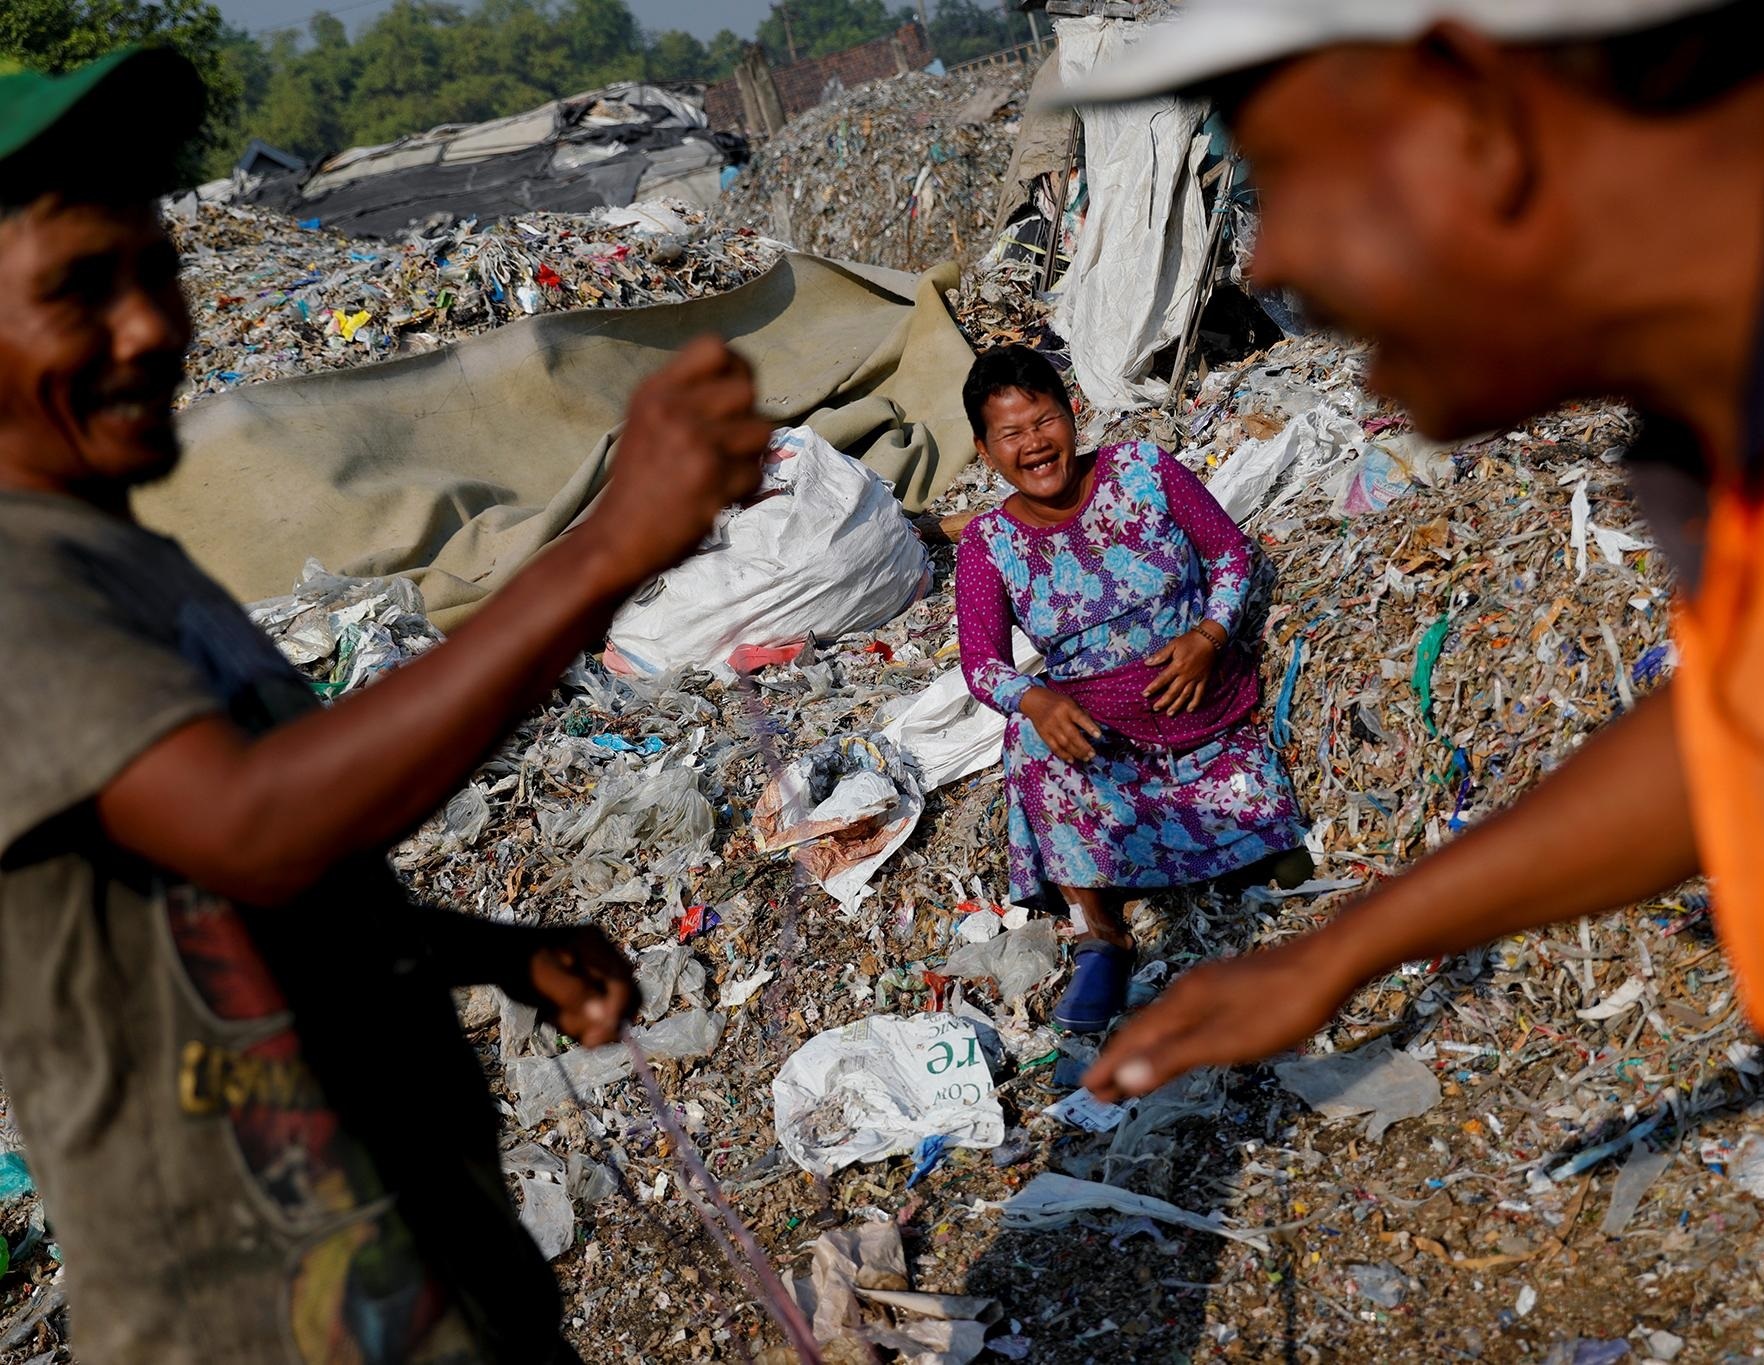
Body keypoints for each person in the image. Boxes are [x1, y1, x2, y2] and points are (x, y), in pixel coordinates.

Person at [1070, 0, 1764, 1353]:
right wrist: (1348, 947)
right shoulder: (1757, 365)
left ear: (1479, 115)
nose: (1269, 254)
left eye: (1288, 171)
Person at [0, 50, 771, 1363]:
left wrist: (484, 953)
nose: (150, 326)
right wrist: (598, 549)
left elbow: (243, 887)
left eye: (155, 270)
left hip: (427, 1277)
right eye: (78, 291)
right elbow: (256, 828)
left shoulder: (123, 559)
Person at [954, 346, 1307, 1032]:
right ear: (984, 449)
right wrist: (1036, 697)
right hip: (1102, 740)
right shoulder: (988, 543)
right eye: (1012, 434)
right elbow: (982, 665)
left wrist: (1208, 636)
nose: (1035, 444)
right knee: (1027, 733)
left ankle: (1224, 851)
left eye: (1045, 420)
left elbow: (1230, 554)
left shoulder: (1144, 468)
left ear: (1072, 414)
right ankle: (1100, 932)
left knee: (1284, 869)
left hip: (1206, 711)